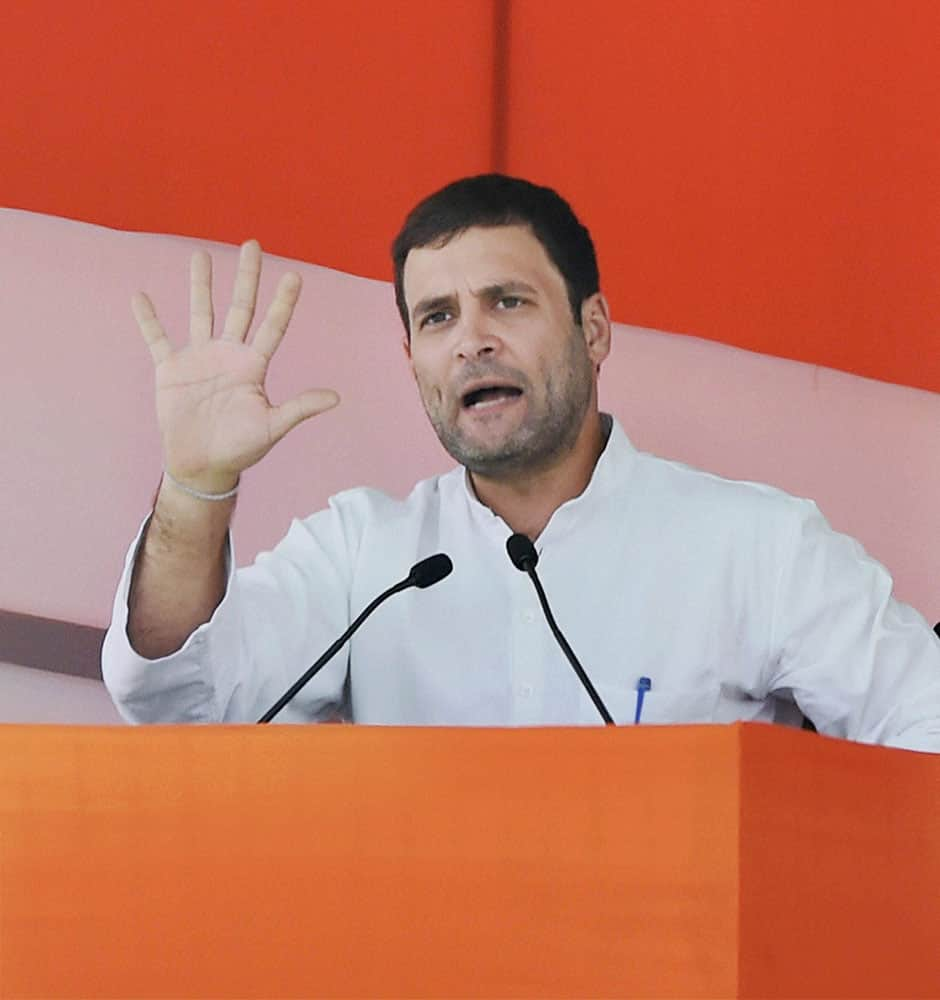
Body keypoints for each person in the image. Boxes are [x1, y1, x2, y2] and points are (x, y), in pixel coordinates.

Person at [102, 174, 940, 749]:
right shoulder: (368, 559)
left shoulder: (758, 547)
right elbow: (178, 703)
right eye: (436, 318)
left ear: (595, 330)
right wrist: (196, 487)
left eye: (507, 300)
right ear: (414, 362)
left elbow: (922, 725)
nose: (472, 340)